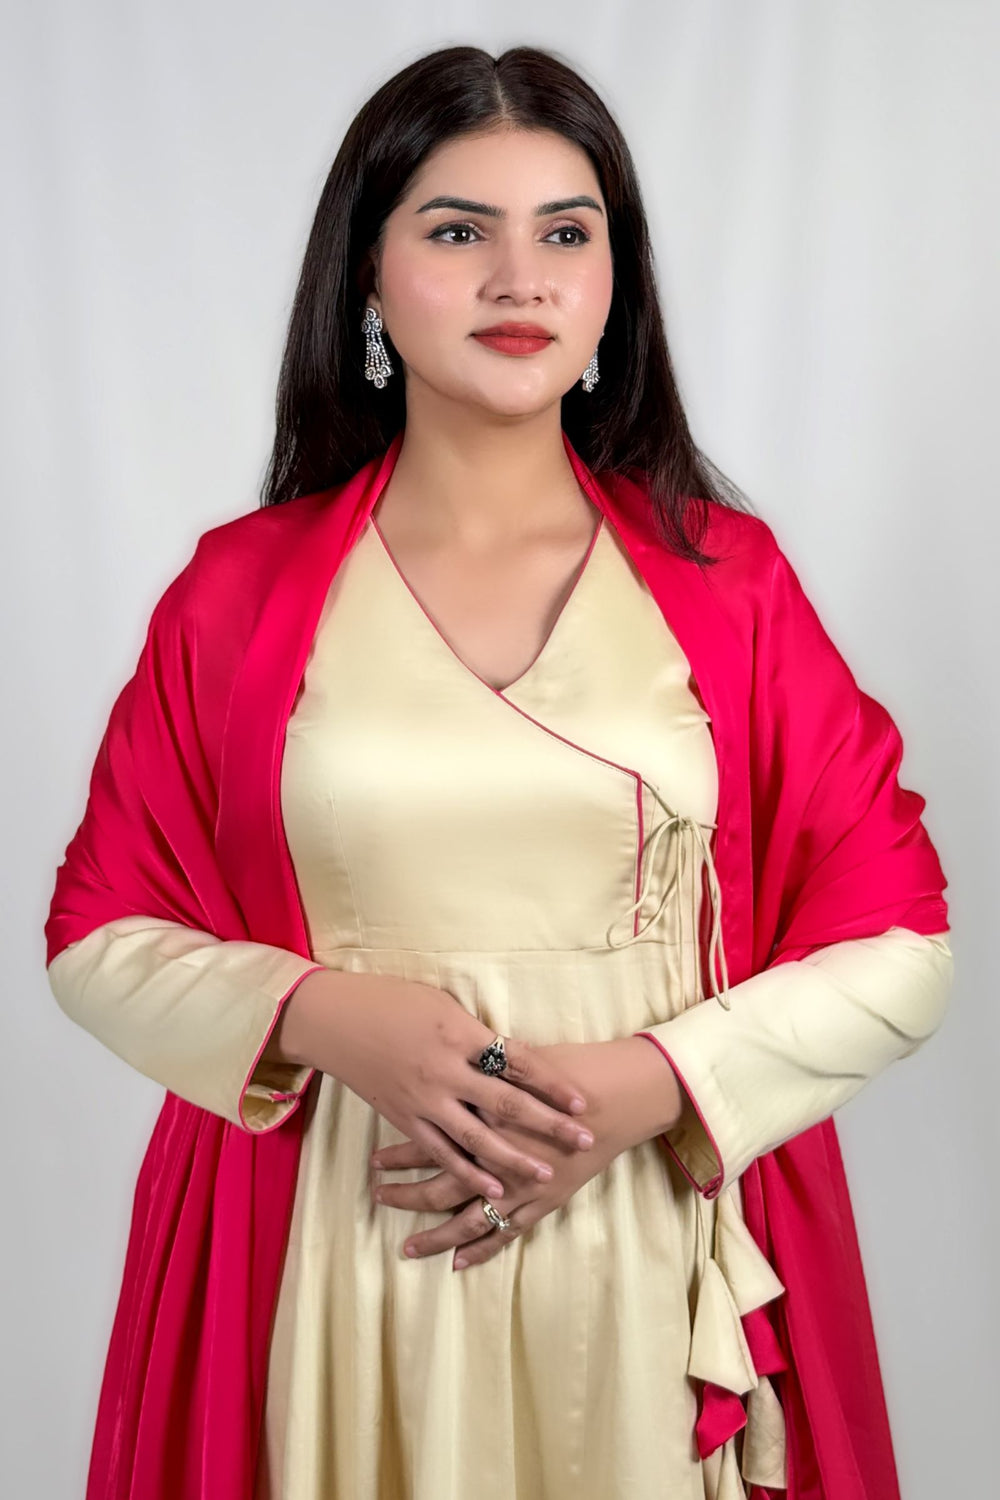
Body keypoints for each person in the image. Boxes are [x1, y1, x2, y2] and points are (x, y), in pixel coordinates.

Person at [44, 43, 953, 1500]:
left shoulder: (726, 584)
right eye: (460, 230)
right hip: (345, 1241)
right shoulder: (239, 593)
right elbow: (101, 933)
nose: (519, 279)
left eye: (567, 234)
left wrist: (648, 1087)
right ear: (367, 273)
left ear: (614, 285)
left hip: (639, 1241)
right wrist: (320, 1014)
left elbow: (901, 945)